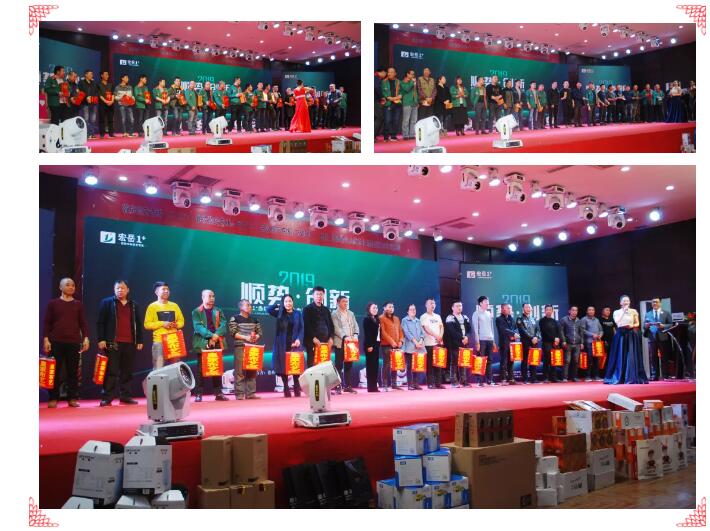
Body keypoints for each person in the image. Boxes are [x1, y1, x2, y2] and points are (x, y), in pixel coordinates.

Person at [42, 278, 90, 408]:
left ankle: (72, 398)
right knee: (54, 371)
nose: (71, 287)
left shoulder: (78, 304)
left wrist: (86, 338)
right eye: (67, 285)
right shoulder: (53, 303)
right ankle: (53, 398)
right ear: (60, 287)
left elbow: (83, 323)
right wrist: (46, 339)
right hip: (56, 341)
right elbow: (47, 323)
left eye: (73, 285)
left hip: (73, 342)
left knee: (73, 371)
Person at [96, 280, 143, 406]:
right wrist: (101, 339)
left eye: (122, 288)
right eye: (117, 288)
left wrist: (139, 340)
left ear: (128, 290)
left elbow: (138, 323)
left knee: (127, 371)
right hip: (113, 342)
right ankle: (107, 397)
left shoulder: (134, 305)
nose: (120, 290)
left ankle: (125, 396)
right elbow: (100, 322)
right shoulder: (107, 303)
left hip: (130, 342)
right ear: (114, 289)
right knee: (111, 371)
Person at [191, 290, 228, 402]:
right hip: (203, 341)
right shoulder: (196, 311)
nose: (212, 298)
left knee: (216, 367)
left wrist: (215, 336)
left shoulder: (218, 310)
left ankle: (218, 393)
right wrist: (211, 336)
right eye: (209, 296)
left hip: (216, 341)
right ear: (203, 297)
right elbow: (198, 327)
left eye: (213, 296)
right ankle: (198, 393)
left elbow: (223, 325)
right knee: (200, 369)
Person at [604, 295, 648, 385]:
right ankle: (619, 376)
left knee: (631, 355)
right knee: (620, 355)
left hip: (631, 334)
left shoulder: (634, 311)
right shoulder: (617, 312)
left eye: (627, 301)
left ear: (629, 302)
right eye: (624, 301)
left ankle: (631, 376)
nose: (626, 302)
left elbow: (637, 323)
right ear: (620, 303)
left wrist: (632, 325)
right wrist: (624, 312)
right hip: (620, 334)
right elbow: (617, 322)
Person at [267, 294, 304, 398]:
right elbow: (268, 309)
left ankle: (296, 386)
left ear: (293, 302)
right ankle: (286, 387)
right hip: (282, 344)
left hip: (295, 344)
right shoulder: (280, 313)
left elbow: (301, 328)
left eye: (290, 301)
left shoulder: (298, 313)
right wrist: (278, 305)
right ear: (283, 303)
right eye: (286, 301)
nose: (288, 303)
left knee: (295, 366)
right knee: (283, 366)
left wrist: (299, 339)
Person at [143, 281, 185, 369]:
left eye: (167, 289)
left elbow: (181, 322)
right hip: (159, 341)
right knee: (158, 368)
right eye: (163, 289)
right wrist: (162, 324)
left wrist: (175, 325)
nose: (166, 291)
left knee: (175, 368)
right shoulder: (152, 306)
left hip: (173, 341)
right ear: (156, 292)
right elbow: (147, 324)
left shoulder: (174, 305)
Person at [228, 299, 262, 400]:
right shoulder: (235, 318)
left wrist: (256, 337)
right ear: (241, 307)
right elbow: (233, 333)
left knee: (252, 371)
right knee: (239, 371)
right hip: (240, 346)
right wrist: (246, 338)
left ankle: (250, 393)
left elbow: (259, 332)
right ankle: (239, 394)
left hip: (252, 347)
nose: (250, 307)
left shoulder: (255, 319)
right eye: (247, 305)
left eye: (250, 305)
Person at [332, 295, 360, 394]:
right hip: (340, 342)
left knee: (349, 364)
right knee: (339, 365)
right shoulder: (334, 313)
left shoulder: (351, 313)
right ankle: (337, 386)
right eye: (343, 301)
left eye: (346, 301)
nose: (346, 303)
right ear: (338, 302)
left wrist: (356, 334)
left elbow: (356, 325)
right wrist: (344, 336)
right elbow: (336, 327)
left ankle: (348, 386)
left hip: (351, 343)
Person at [302, 286, 334, 367]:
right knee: (312, 365)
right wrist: (313, 338)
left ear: (323, 295)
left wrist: (331, 338)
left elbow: (331, 325)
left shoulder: (326, 310)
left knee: (324, 365)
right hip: (312, 342)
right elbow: (306, 326)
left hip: (325, 342)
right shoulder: (307, 309)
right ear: (313, 295)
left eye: (321, 294)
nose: (319, 296)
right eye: (317, 294)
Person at [643, 298, 674, 381]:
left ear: (660, 303)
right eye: (653, 302)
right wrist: (646, 326)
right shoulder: (648, 314)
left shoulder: (666, 313)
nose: (654, 303)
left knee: (664, 357)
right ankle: (654, 375)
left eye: (656, 302)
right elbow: (644, 326)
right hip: (652, 338)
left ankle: (665, 375)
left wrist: (663, 326)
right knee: (653, 357)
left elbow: (671, 324)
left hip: (663, 337)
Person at [444, 301, 472, 388]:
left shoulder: (465, 317)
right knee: (454, 363)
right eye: (457, 306)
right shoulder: (450, 318)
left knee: (463, 362)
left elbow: (469, 330)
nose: (459, 307)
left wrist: (467, 337)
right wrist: (462, 338)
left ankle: (463, 381)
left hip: (464, 343)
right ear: (452, 308)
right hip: (454, 343)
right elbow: (452, 331)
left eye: (460, 306)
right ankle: (454, 382)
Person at [420, 298, 444, 389]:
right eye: (430, 303)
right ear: (426, 305)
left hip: (437, 343)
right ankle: (430, 383)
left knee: (438, 364)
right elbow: (426, 329)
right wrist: (436, 336)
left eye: (434, 303)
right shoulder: (424, 316)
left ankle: (438, 383)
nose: (432, 305)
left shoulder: (437, 316)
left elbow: (441, 327)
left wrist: (440, 336)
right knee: (429, 365)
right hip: (428, 344)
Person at [379, 302, 404, 391]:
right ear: (384, 308)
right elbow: (383, 332)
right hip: (386, 345)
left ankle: (394, 384)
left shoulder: (396, 318)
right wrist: (391, 341)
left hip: (397, 345)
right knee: (387, 364)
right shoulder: (381, 318)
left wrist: (401, 341)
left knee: (395, 364)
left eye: (392, 307)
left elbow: (400, 331)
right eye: (389, 307)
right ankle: (384, 384)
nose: (391, 308)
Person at [471, 296, 495, 386]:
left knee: (489, 360)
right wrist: (477, 342)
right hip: (481, 340)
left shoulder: (489, 313)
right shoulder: (476, 314)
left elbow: (491, 328)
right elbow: (475, 328)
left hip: (490, 339)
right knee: (480, 360)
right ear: (480, 303)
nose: (487, 303)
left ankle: (489, 380)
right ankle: (479, 381)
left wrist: (493, 340)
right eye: (485, 301)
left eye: (488, 301)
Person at [516, 303, 541, 384]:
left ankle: (533, 378)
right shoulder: (520, 318)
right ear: (523, 309)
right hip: (525, 342)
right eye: (526, 307)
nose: (528, 309)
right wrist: (531, 338)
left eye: (529, 307)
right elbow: (522, 330)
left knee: (534, 360)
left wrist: (536, 337)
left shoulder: (534, 318)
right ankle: (525, 378)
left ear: (531, 309)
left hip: (534, 342)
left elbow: (538, 330)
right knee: (525, 360)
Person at [402, 304, 425, 390]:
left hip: (419, 346)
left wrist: (421, 341)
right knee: (409, 366)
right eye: (411, 309)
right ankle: (410, 384)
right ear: (407, 311)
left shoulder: (418, 320)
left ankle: (416, 384)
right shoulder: (404, 320)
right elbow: (407, 332)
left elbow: (422, 333)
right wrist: (415, 342)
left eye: (414, 309)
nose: (413, 311)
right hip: (409, 346)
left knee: (416, 366)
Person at [495, 303, 519, 385]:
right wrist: (513, 334)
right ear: (502, 309)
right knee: (504, 361)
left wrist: (515, 334)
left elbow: (516, 328)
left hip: (512, 343)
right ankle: (503, 379)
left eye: (510, 308)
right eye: (508, 308)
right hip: (504, 343)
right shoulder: (499, 319)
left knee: (511, 361)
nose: (509, 310)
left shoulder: (511, 318)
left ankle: (511, 378)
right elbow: (503, 329)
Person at [538, 305, 562, 383]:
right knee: (547, 361)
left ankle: (553, 377)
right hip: (546, 343)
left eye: (550, 310)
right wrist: (554, 338)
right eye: (547, 309)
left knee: (554, 360)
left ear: (552, 311)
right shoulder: (542, 321)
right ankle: (545, 377)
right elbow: (545, 332)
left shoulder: (554, 321)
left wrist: (557, 339)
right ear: (545, 311)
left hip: (554, 343)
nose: (548, 311)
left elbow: (558, 331)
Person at [560, 306, 584, 382]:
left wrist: (582, 342)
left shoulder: (579, 321)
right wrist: (563, 341)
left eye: (576, 310)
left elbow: (581, 332)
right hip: (568, 343)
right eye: (573, 310)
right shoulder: (564, 320)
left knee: (576, 361)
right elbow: (561, 331)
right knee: (567, 361)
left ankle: (574, 377)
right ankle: (565, 377)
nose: (574, 312)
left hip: (577, 344)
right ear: (569, 311)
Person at [580, 306, 604, 382]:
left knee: (596, 360)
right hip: (588, 342)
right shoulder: (584, 319)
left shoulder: (596, 320)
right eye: (589, 310)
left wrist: (600, 335)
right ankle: (587, 376)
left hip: (597, 344)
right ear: (587, 311)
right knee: (589, 360)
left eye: (592, 310)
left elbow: (601, 330)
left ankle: (596, 376)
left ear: (594, 311)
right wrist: (592, 334)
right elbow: (582, 330)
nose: (591, 311)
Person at [362, 302, 381, 393]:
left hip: (376, 344)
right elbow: (367, 333)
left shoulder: (377, 319)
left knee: (375, 366)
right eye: (373, 308)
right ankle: (370, 387)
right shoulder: (367, 320)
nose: (375, 309)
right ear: (369, 309)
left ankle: (374, 386)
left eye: (376, 308)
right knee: (370, 366)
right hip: (369, 345)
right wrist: (369, 345)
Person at [382, 67, 402, 142]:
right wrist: (388, 97)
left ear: (395, 73)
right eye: (388, 72)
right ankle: (386, 136)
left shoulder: (398, 82)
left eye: (391, 72)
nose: (389, 73)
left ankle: (393, 136)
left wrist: (399, 96)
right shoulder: (384, 81)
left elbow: (401, 91)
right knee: (387, 120)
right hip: (388, 103)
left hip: (397, 103)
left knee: (396, 120)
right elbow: (383, 92)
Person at [78, 70, 99, 138]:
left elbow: (97, 92)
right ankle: (86, 134)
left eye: (92, 74)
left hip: (93, 103)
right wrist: (86, 97)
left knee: (93, 119)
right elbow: (80, 92)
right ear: (85, 75)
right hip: (85, 103)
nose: (91, 75)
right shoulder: (81, 82)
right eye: (90, 74)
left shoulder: (94, 83)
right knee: (86, 119)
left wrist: (94, 97)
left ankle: (92, 133)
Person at [401, 69, 418, 140]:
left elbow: (415, 92)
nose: (413, 75)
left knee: (414, 120)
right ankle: (405, 135)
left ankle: (412, 134)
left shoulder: (413, 82)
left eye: (413, 74)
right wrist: (412, 82)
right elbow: (406, 89)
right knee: (406, 120)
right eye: (411, 74)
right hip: (407, 103)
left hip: (414, 103)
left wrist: (417, 101)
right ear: (407, 74)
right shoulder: (403, 82)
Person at [97, 70, 115, 138]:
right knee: (102, 119)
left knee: (111, 119)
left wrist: (112, 101)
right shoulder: (98, 85)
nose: (107, 76)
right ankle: (102, 134)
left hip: (111, 104)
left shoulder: (111, 84)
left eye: (108, 74)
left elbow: (113, 93)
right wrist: (106, 101)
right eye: (106, 74)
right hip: (102, 104)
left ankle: (111, 133)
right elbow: (99, 95)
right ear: (102, 75)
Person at [374, 67, 387, 139]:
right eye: (385, 73)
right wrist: (382, 97)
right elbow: (377, 87)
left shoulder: (375, 77)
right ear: (382, 72)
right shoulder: (376, 78)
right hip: (375, 101)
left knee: (377, 118)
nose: (385, 75)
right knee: (380, 118)